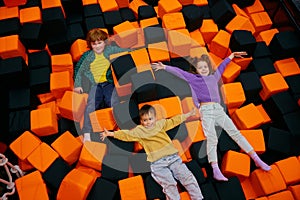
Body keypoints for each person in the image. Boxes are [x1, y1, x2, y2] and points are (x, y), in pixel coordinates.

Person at [152, 52, 271, 181]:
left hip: (218, 110)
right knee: (212, 138)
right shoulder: (193, 79)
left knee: (236, 133)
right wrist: (164, 67)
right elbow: (179, 72)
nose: (203, 69)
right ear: (196, 70)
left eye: (205, 67)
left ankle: (256, 159)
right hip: (206, 110)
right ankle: (215, 169)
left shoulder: (214, 78)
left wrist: (231, 56)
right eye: (200, 67)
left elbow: (222, 66)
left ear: (208, 68)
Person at [101, 104, 203, 200]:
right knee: (169, 185)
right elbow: (126, 135)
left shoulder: (161, 124)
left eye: (150, 119)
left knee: (187, 177)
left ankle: (198, 198)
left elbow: (174, 121)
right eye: (145, 120)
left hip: (173, 158)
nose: (148, 122)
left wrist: (188, 114)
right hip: (157, 163)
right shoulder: (139, 131)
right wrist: (111, 134)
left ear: (155, 118)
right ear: (141, 121)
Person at [74, 28, 129, 142]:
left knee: (113, 102)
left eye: (100, 43)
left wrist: (137, 50)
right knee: (91, 106)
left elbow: (124, 51)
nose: (98, 46)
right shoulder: (87, 56)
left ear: (105, 42)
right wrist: (78, 84)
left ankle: (120, 127)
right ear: (90, 45)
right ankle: (87, 133)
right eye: (94, 44)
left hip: (108, 83)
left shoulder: (110, 50)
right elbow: (78, 69)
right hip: (96, 85)